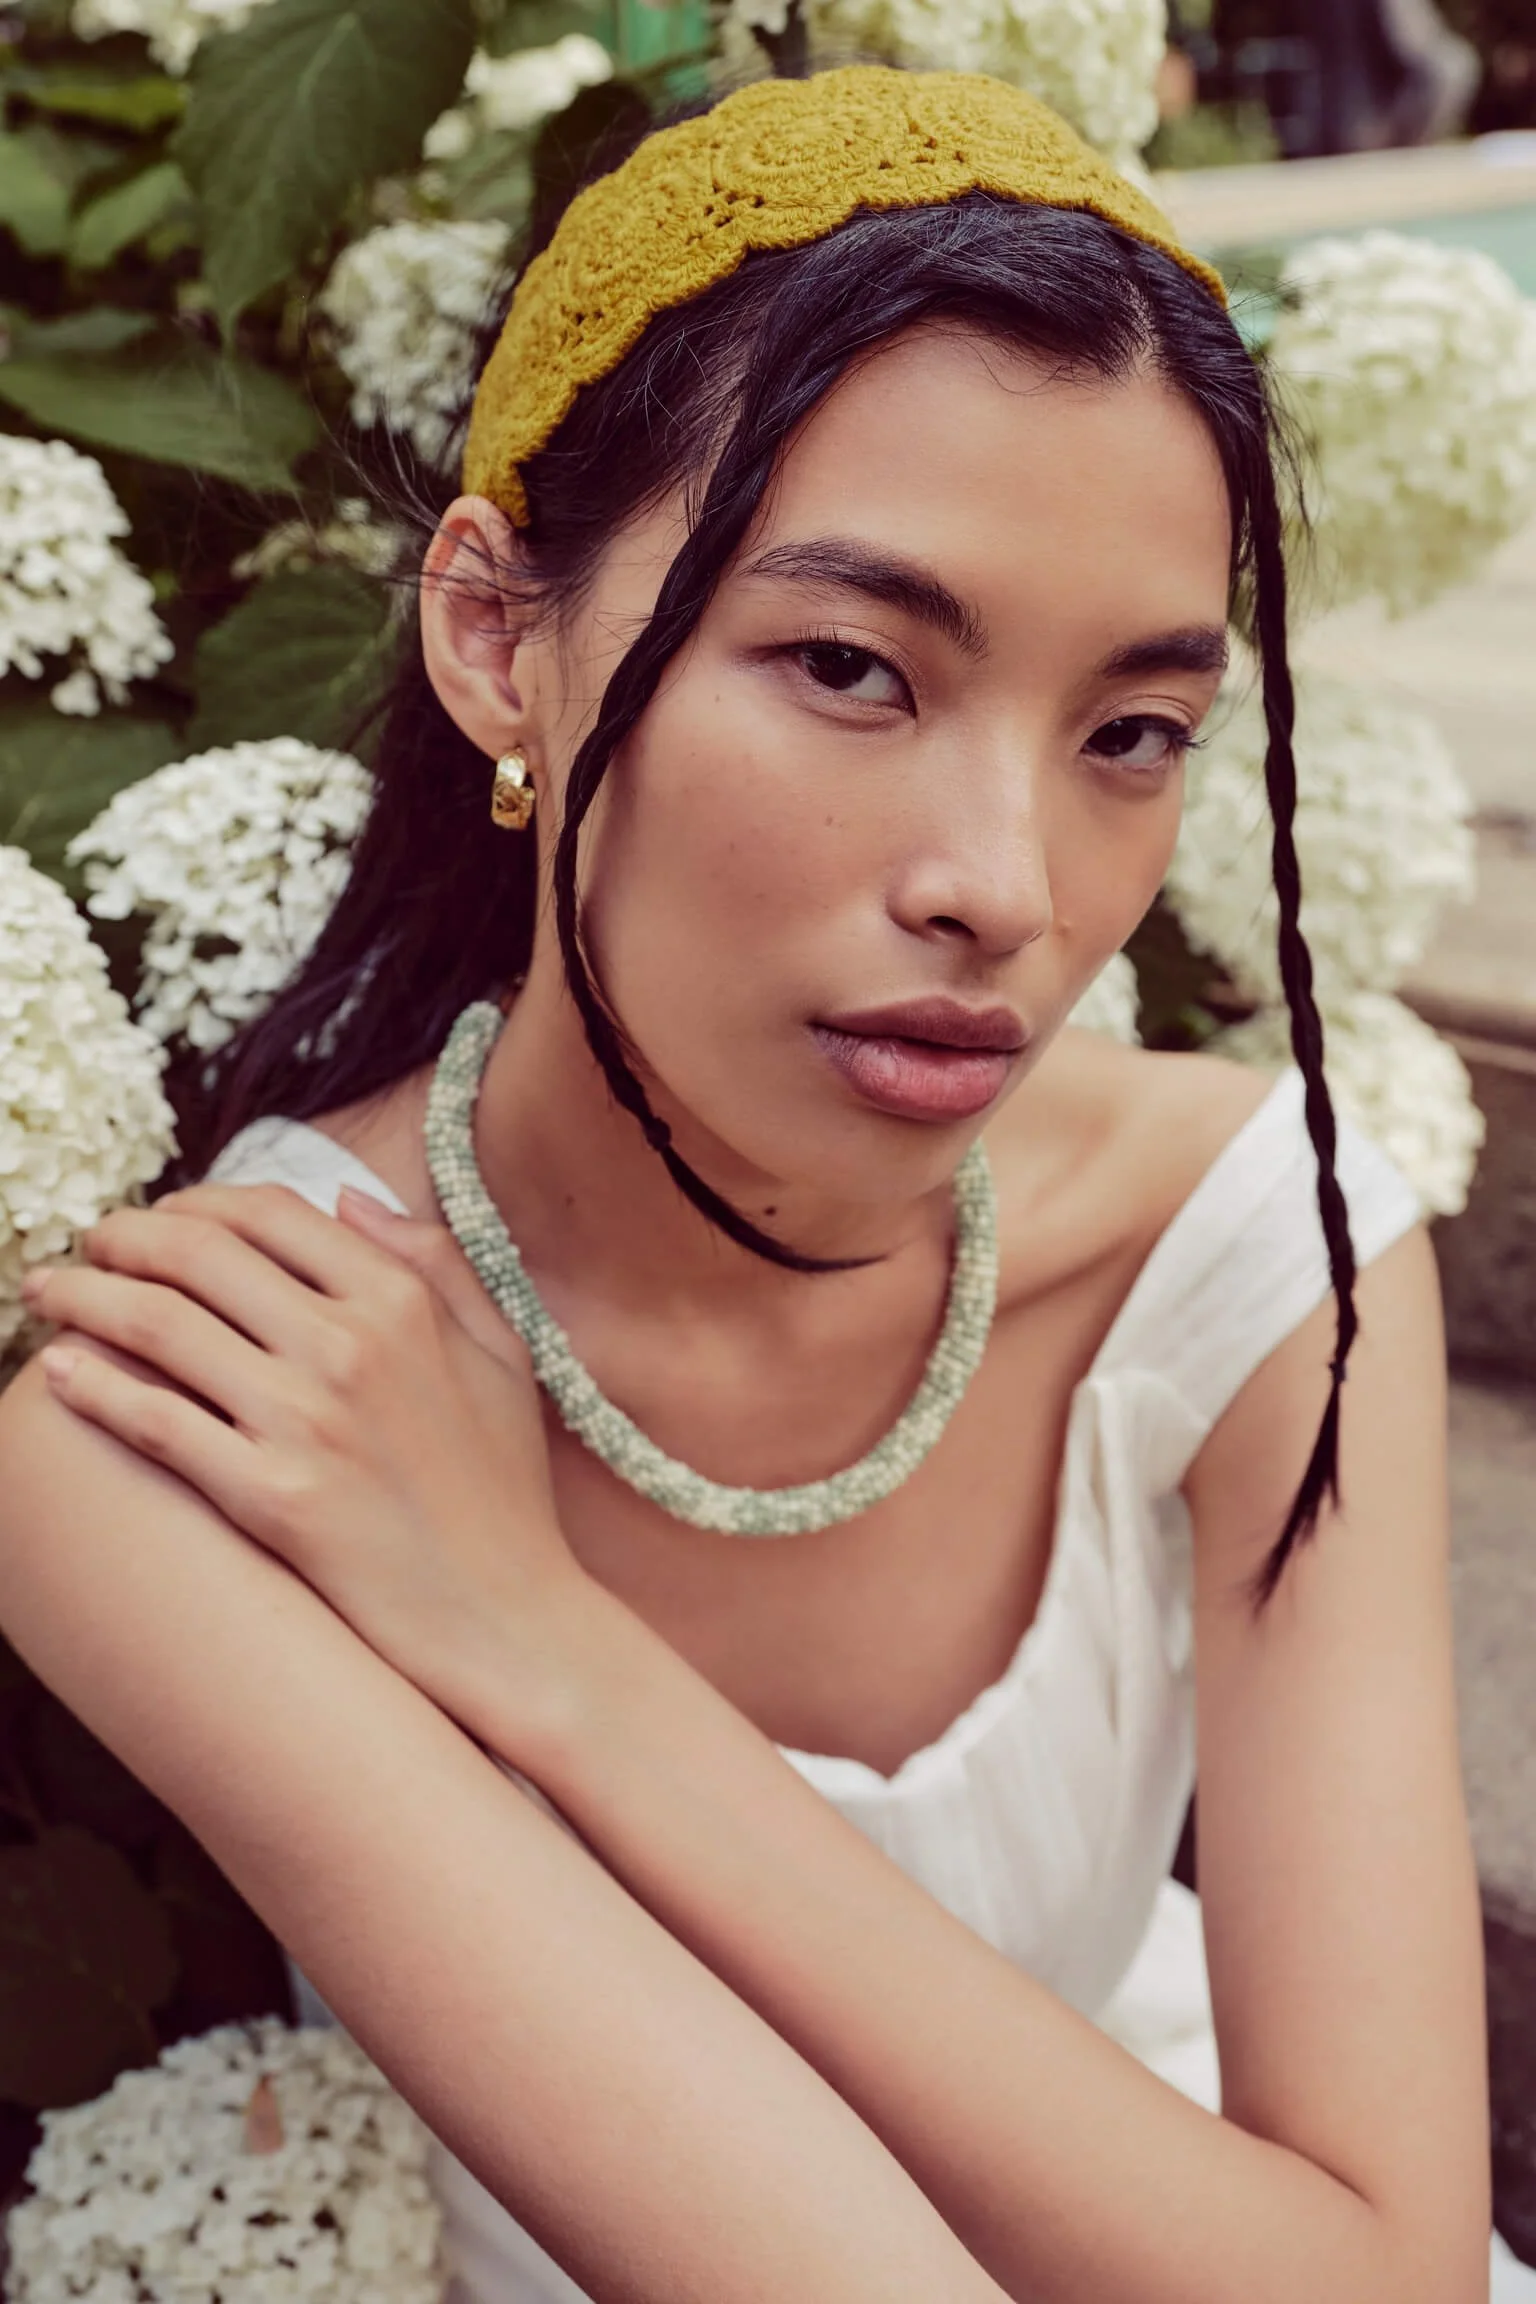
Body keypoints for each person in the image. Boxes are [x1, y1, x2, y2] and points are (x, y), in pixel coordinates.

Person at [0, 61, 1523, 2304]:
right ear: (498, 637)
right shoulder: (205, 1404)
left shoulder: (1257, 1262)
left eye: (1132, 734)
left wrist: (548, 1651)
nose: (1007, 889)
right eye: (848, 666)